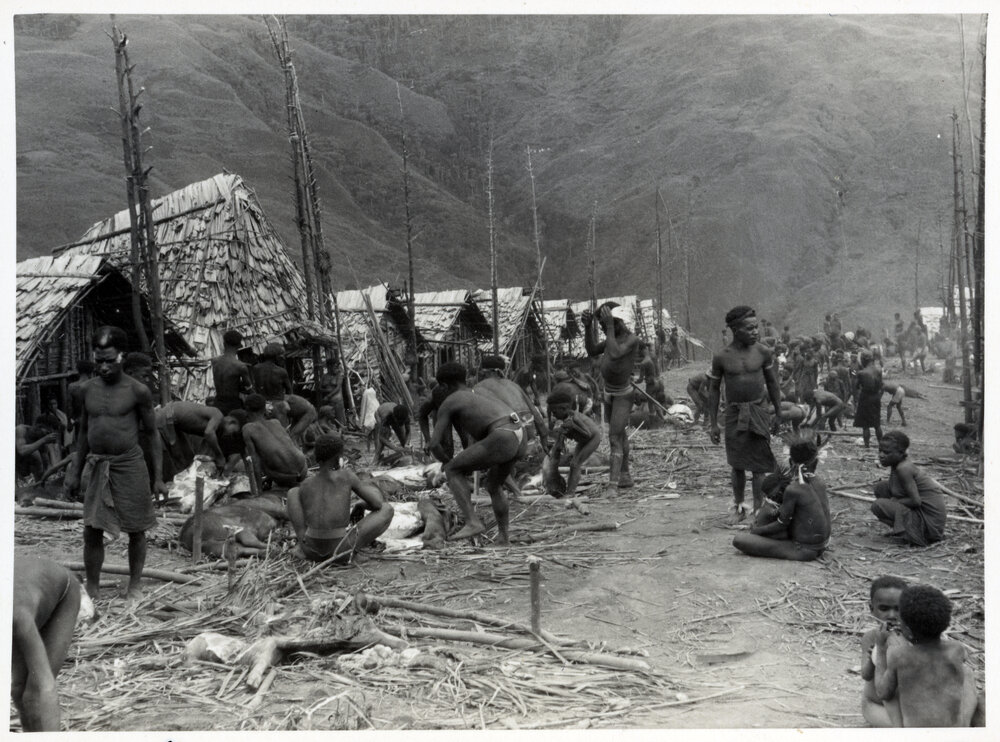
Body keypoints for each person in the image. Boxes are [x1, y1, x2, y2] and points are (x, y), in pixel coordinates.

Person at [64, 326, 164, 602]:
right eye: (99, 361)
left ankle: (134, 586)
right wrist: (74, 472)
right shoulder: (86, 390)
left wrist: (158, 477)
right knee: (92, 529)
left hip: (129, 463)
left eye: (110, 360)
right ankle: (93, 587)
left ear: (122, 356)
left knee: (137, 528)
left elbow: (152, 434)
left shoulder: (138, 391)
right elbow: (84, 432)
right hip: (97, 465)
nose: (104, 367)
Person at [429, 361, 526, 544]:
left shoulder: (451, 400)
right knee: (493, 485)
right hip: (519, 431)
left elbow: (434, 443)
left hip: (503, 435)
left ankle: (472, 522)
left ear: (443, 385)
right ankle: (504, 538)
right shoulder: (479, 393)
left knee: (452, 470)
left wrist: (446, 461)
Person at [707, 306, 782, 524]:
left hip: (758, 411)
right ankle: (739, 507)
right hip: (734, 413)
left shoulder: (763, 352)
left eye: (756, 327)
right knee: (737, 463)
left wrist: (778, 412)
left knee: (759, 465)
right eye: (749, 328)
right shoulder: (721, 357)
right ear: (735, 329)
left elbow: (773, 383)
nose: (755, 332)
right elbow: (713, 389)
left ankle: (758, 510)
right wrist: (713, 424)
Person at [872, 584, 983, 726]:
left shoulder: (899, 656)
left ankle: (898, 730)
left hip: (919, 735)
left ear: (908, 630)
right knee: (967, 673)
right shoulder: (957, 649)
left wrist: (881, 647)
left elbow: (882, 693)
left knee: (892, 687)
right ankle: (965, 725)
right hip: (952, 732)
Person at [287, 434, 394, 565]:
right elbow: (377, 504)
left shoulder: (306, 484)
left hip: (311, 552)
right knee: (387, 509)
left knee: (292, 493)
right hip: (340, 552)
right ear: (339, 457)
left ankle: (301, 546)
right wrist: (361, 504)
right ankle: (353, 553)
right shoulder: (346, 476)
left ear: (316, 457)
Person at [11, 556, 82, 732]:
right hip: (27, 589)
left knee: (34, 694)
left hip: (63, 592)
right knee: (18, 689)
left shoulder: (16, 615)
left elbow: (46, 686)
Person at [731, 437, 830, 561]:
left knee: (739, 540)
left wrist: (757, 531)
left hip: (804, 549)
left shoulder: (794, 489)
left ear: (791, 461)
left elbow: (781, 525)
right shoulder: (819, 481)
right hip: (823, 544)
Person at [582, 303, 641, 489]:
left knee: (614, 436)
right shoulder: (611, 337)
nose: (603, 328)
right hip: (609, 392)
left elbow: (615, 354)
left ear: (618, 322)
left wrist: (608, 327)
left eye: (606, 324)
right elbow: (592, 351)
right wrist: (586, 328)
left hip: (623, 394)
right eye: (601, 326)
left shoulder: (631, 339)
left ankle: (612, 486)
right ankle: (624, 476)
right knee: (620, 435)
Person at [871, 431, 946, 546]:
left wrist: (894, 502)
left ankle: (916, 535)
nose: (881, 455)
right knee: (882, 488)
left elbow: (916, 501)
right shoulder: (897, 465)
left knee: (878, 505)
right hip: (922, 515)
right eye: (880, 451)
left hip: (930, 525)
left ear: (901, 453)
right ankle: (905, 529)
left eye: (887, 452)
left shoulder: (904, 469)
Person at [861, 575, 908, 726]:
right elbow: (866, 675)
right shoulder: (871, 637)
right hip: (876, 704)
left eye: (898, 609)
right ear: (872, 609)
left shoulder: (914, 636)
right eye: (884, 609)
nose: (892, 615)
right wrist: (871, 656)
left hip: (907, 705)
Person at [241, 393, 308, 488]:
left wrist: (258, 491)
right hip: (303, 469)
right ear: (264, 408)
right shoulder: (276, 422)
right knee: (276, 451)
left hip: (287, 478)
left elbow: (255, 462)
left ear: (246, 409)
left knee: (258, 456)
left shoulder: (247, 429)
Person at [545, 389, 602, 498]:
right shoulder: (566, 419)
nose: (553, 415)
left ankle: (570, 493)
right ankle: (569, 491)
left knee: (575, 464)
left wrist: (573, 427)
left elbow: (587, 434)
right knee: (573, 464)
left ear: (564, 409)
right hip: (583, 441)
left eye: (555, 412)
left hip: (592, 438)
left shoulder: (575, 418)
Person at [155, 400, 227, 472]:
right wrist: (219, 456)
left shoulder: (213, 427)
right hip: (167, 418)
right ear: (231, 421)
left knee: (187, 459)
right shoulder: (218, 415)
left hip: (173, 421)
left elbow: (206, 442)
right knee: (176, 460)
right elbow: (208, 433)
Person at [211, 329, 254, 415]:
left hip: (217, 403)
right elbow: (249, 389)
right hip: (233, 406)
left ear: (224, 344)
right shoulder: (240, 366)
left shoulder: (214, 361)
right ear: (239, 345)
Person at [251, 342, 293, 423]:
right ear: (276, 357)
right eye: (281, 356)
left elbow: (254, 387)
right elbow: (289, 391)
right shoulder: (281, 371)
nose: (283, 358)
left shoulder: (256, 368)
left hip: (261, 406)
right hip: (278, 406)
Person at [852, 350, 884, 447]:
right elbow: (881, 386)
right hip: (876, 397)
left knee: (865, 425)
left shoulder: (861, 373)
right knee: (877, 424)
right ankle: (881, 444)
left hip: (865, 397)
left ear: (864, 360)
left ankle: (867, 446)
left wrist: (856, 399)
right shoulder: (878, 370)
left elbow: (856, 387)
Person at [318, 355, 347, 428]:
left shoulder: (339, 376)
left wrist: (328, 395)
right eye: (334, 367)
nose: (336, 368)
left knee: (340, 420)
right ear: (329, 367)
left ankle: (341, 433)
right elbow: (319, 388)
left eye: (337, 367)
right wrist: (328, 391)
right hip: (327, 402)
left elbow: (337, 388)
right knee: (328, 421)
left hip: (337, 402)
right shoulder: (324, 376)